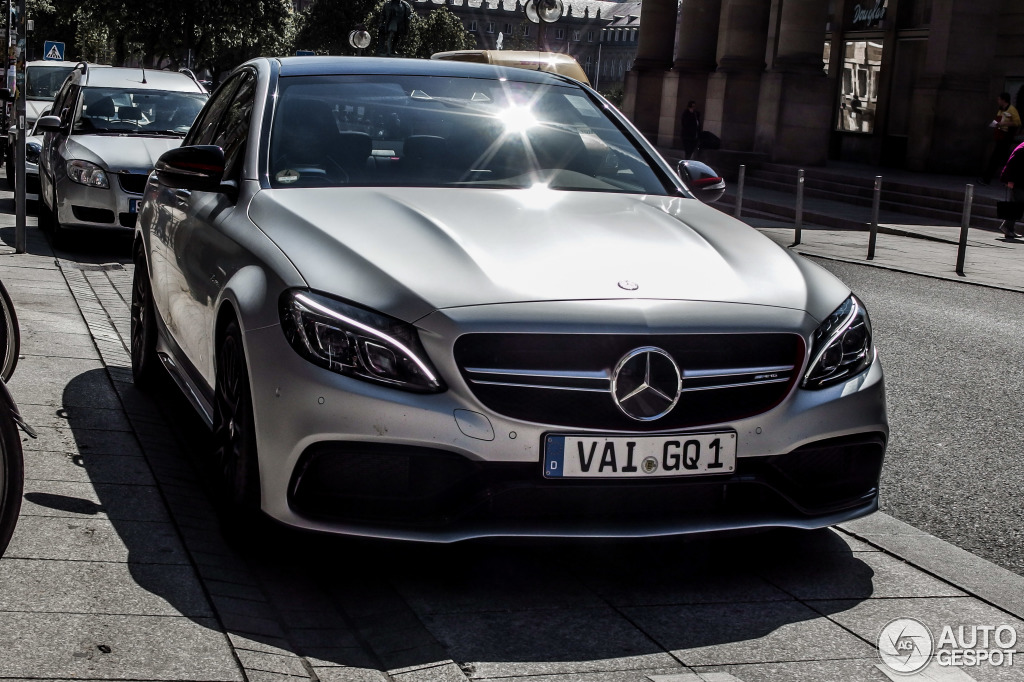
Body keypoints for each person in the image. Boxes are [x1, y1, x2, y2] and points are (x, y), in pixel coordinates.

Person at [981, 92, 1020, 185]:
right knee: (1005, 160)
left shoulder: (1011, 110)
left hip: (1006, 138)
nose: (998, 101)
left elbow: (1017, 122)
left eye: (999, 99)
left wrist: (1004, 124)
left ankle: (987, 179)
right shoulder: (1001, 110)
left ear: (1003, 100)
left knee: (995, 159)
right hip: (1000, 137)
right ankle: (1010, 180)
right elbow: (998, 120)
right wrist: (993, 124)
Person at [998, 139, 1024, 238]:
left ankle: (1008, 228)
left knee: (1016, 203)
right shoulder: (1022, 149)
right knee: (1017, 203)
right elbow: (1012, 164)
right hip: (1016, 181)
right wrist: (1010, 181)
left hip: (1020, 180)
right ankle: (1006, 227)